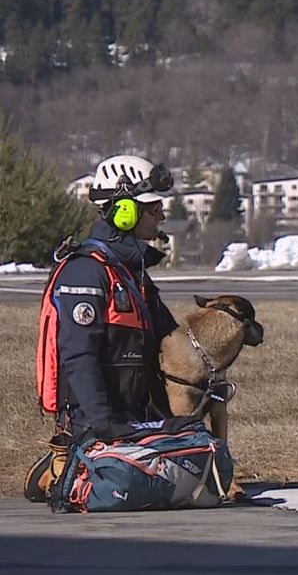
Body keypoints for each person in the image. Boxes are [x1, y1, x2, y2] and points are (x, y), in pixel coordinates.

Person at [25, 154, 178, 502]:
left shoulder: (133, 274)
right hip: (96, 423)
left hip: (136, 419)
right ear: (124, 212)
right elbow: (79, 357)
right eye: (154, 209)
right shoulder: (85, 273)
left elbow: (171, 338)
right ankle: (61, 466)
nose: (161, 217)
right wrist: (103, 426)